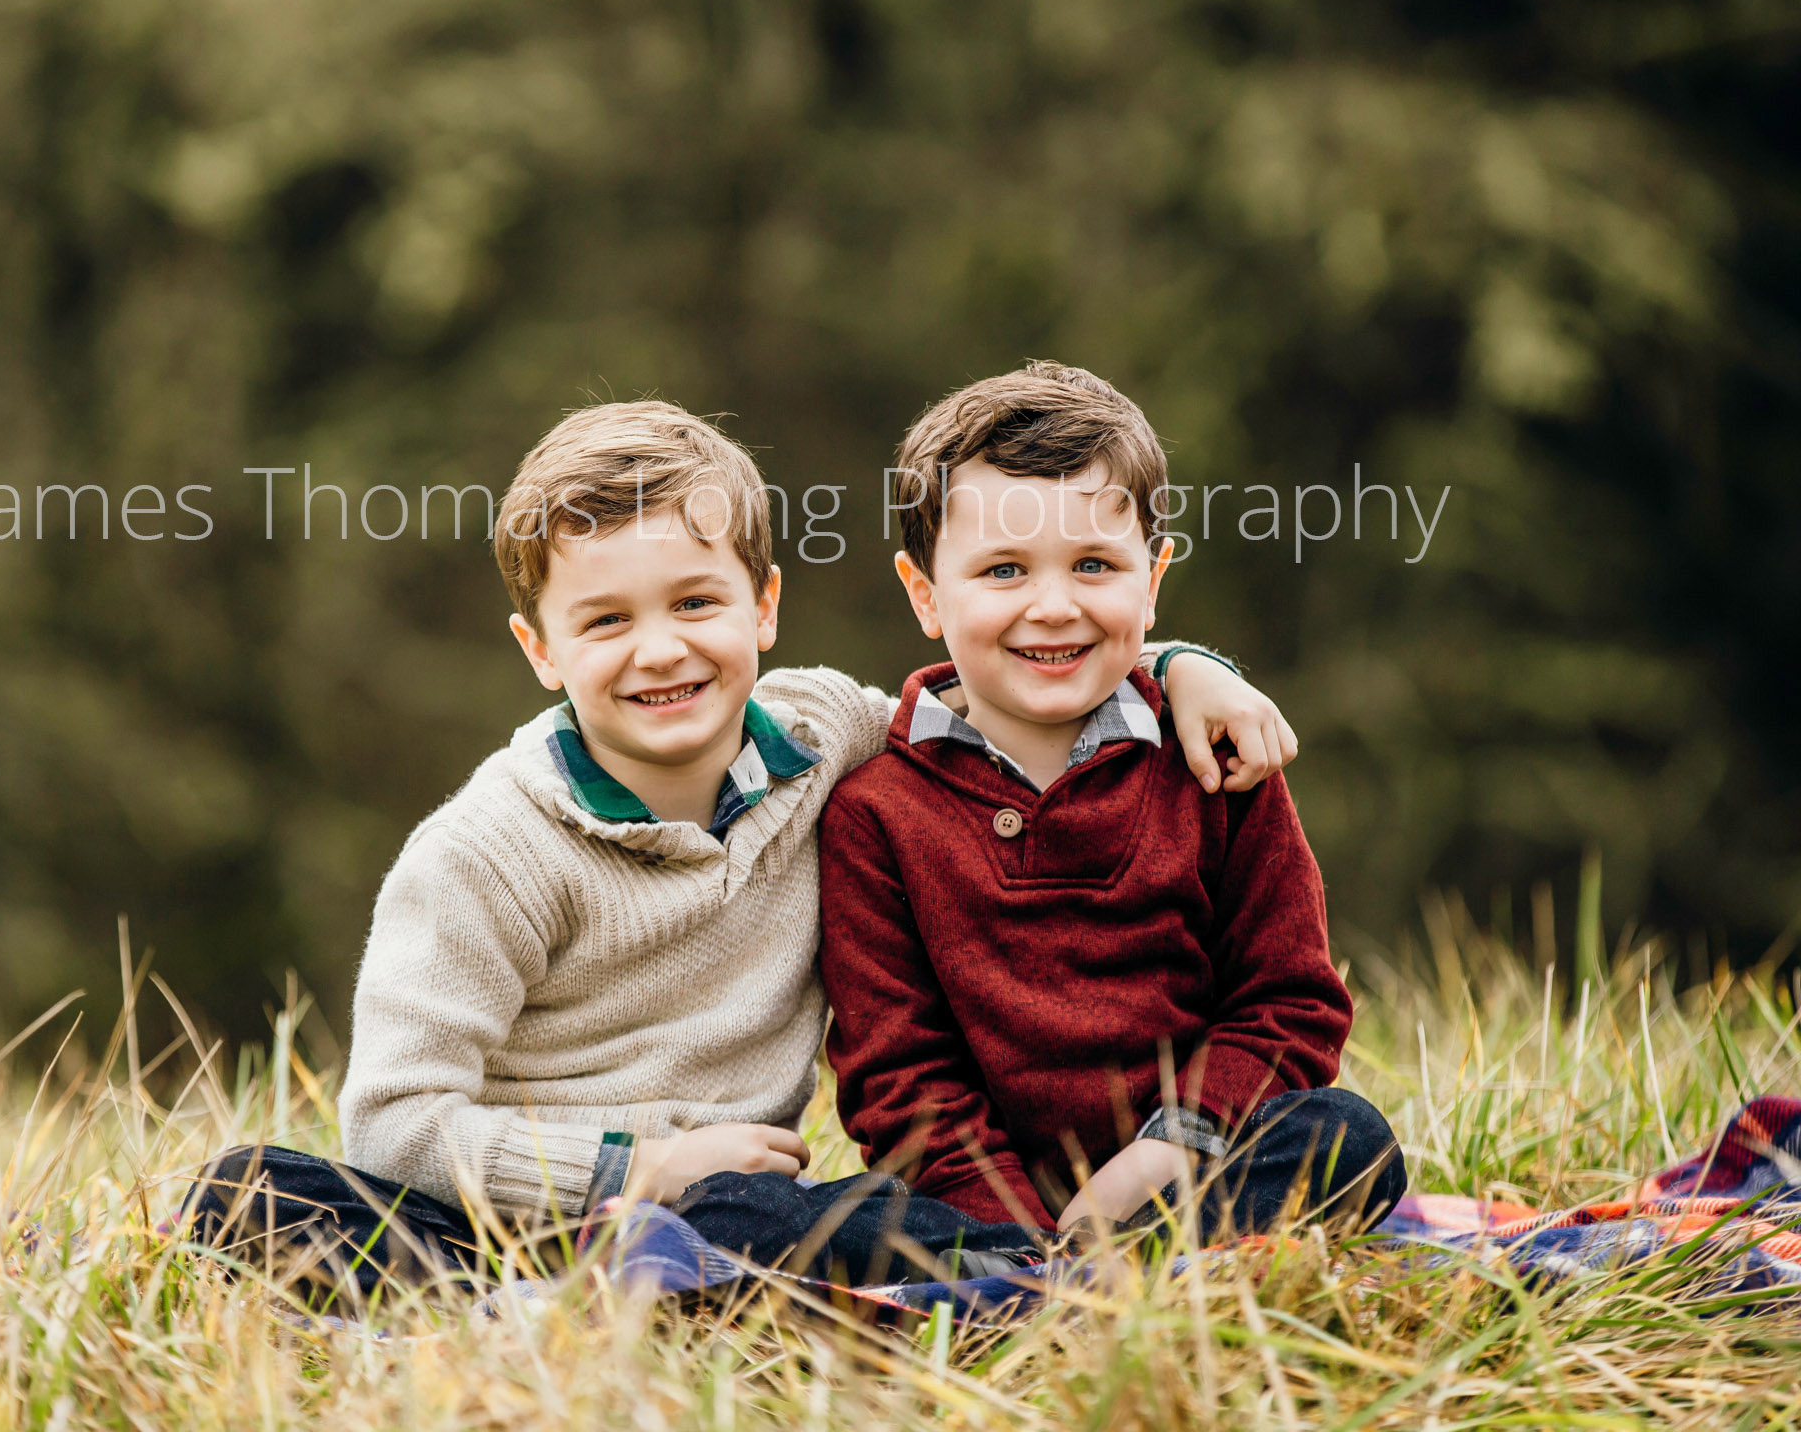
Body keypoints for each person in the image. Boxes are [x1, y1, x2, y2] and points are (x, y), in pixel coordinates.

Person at [190, 398, 1297, 1300]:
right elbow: (393, 1122)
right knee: (253, 1194)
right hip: (517, 1211)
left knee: (809, 1216)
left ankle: (954, 1274)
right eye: (606, 622)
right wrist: (639, 1173)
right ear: (539, 650)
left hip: (741, 1208)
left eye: (695, 600)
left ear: (764, 607)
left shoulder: (825, 739)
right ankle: (574, 1284)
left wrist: (1189, 666)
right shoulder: (485, 857)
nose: (660, 648)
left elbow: (1012, 691)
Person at [819, 361, 1406, 1245]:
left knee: (1347, 1143)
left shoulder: (1214, 759)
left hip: (1191, 1177)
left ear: (1154, 576)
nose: (1053, 607)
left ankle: (1099, 1271)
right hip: (971, 1216)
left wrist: (1172, 1147)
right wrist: (1014, 1229)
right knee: (753, 1215)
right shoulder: (876, 812)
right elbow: (900, 1076)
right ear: (925, 594)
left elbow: (1290, 1002)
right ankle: (1041, 1280)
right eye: (1004, 571)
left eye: (1094, 565)